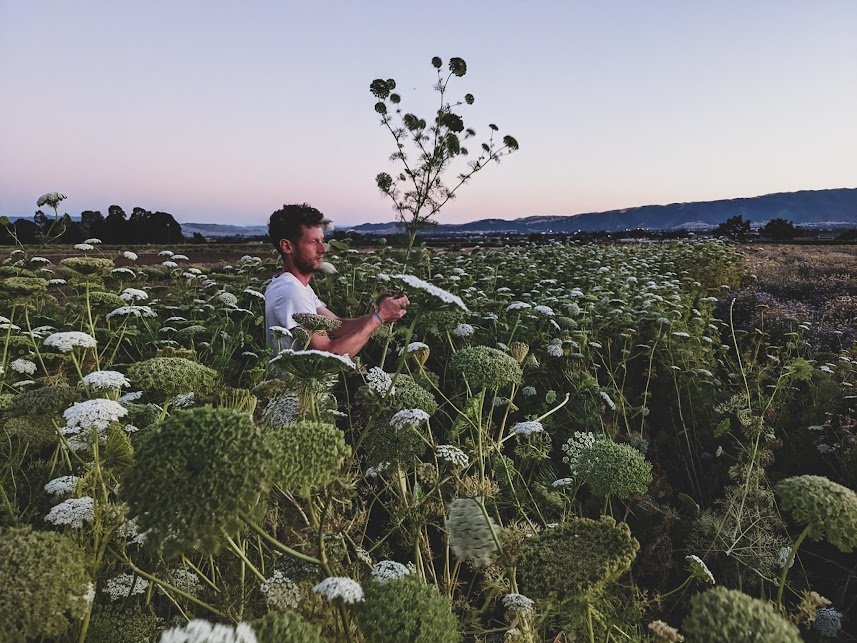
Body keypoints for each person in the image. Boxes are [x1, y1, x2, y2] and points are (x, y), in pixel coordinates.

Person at [264, 203, 409, 356]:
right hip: (295, 380)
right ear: (287, 247)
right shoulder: (291, 291)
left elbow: (337, 325)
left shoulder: (299, 287)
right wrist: (379, 317)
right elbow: (328, 355)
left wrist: (382, 311)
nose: (323, 249)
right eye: (313, 242)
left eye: (322, 241)